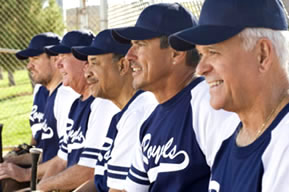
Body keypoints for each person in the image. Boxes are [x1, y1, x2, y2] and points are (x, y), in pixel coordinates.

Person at [112, 3, 239, 192]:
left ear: (176, 53)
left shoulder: (208, 103)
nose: (129, 55)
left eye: (140, 44)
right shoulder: (151, 120)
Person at [169, 0, 289, 191]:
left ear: (262, 55)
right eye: (201, 54)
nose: (200, 68)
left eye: (213, 52)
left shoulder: (284, 143)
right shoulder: (228, 134)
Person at [71, 29, 158, 192]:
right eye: (87, 63)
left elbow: (119, 190)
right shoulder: (121, 114)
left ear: (123, 65)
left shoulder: (139, 112)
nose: (87, 73)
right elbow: (99, 183)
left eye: (95, 63)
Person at [34, 30, 120, 191]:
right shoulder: (75, 104)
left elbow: (89, 172)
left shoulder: (103, 103)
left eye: (63, 57)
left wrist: (42, 186)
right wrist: (38, 186)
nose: (58, 64)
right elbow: (61, 160)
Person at [0, 33, 79, 191]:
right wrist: (14, 161)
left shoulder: (67, 97)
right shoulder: (47, 93)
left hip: (58, 178)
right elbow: (46, 150)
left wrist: (26, 174)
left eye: (35, 59)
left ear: (55, 59)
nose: (29, 66)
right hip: (46, 173)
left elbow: (66, 160)